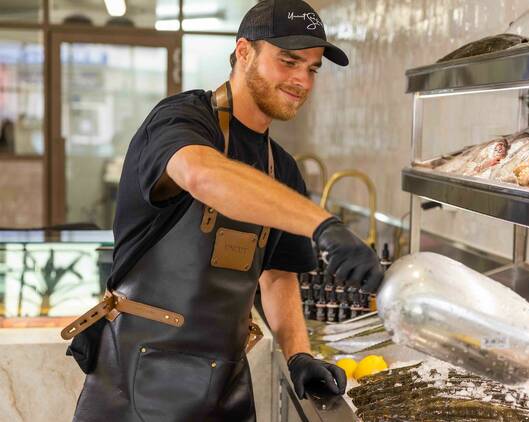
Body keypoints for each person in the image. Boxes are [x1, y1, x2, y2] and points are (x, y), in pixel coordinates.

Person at [65, 0, 383, 420]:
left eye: (312, 68)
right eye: (289, 61)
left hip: (224, 385)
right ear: (244, 51)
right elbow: (204, 175)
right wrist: (323, 225)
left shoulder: (281, 167)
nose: (302, 80)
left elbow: (277, 276)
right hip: (139, 379)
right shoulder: (182, 119)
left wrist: (299, 354)